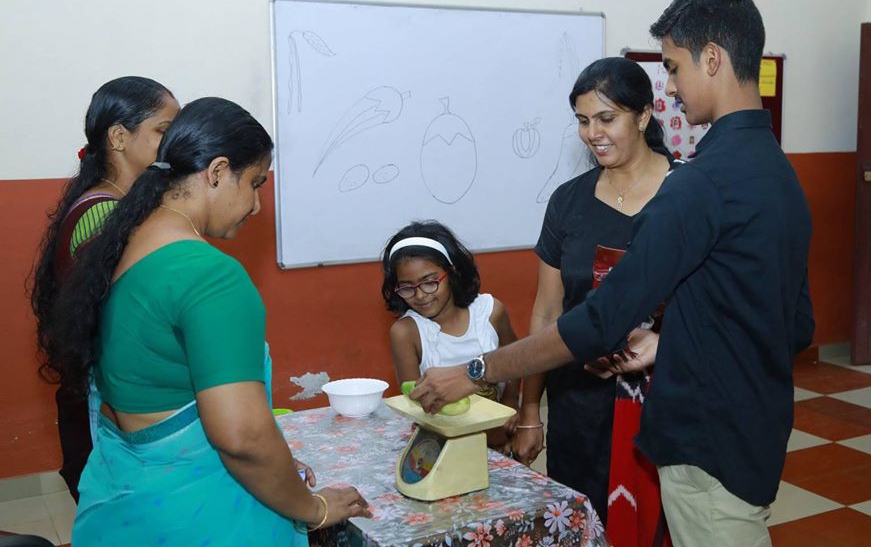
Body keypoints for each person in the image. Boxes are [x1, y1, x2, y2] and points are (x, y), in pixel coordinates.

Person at [411, 0, 814, 547]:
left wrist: (475, 371)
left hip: (706, 440)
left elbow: (599, 322)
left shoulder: (700, 184)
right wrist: (668, 343)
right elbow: (795, 325)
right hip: (755, 434)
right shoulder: (776, 173)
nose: (670, 87)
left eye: (673, 67)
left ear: (712, 59)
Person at [43, 97, 370, 545]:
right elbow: (243, 437)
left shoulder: (119, 250)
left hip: (127, 505)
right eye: (255, 183)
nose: (256, 205)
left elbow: (158, 394)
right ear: (216, 172)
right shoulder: (209, 275)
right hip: (199, 516)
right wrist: (314, 508)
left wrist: (276, 470)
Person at [511, 57, 673, 544]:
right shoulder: (568, 202)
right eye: (582, 121)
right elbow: (547, 311)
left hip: (666, 402)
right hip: (579, 402)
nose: (592, 134)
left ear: (643, 115)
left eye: (606, 118)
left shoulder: (687, 193)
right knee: (584, 526)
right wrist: (530, 409)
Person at [32, 76, 180, 502]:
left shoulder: (117, 205)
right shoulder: (104, 215)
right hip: (106, 411)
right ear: (118, 137)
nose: (172, 144)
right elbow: (129, 323)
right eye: (163, 131)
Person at [382, 220, 520, 451]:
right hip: (443, 446)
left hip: (499, 439)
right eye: (407, 288)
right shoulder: (406, 332)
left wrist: (511, 403)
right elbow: (417, 405)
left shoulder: (489, 312)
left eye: (429, 282)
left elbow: (517, 361)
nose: (420, 296)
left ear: (453, 273)